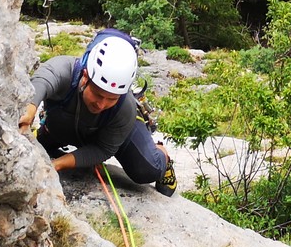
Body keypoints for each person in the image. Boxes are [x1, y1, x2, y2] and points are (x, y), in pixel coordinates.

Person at [19, 33, 177, 196]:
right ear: (85, 77)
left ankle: (162, 155)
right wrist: (29, 109)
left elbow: (103, 149)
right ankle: (48, 133)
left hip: (113, 131)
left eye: (111, 98)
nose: (101, 104)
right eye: (98, 94)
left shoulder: (125, 107)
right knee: (41, 144)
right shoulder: (64, 69)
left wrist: (58, 164)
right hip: (68, 122)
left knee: (146, 170)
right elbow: (42, 81)